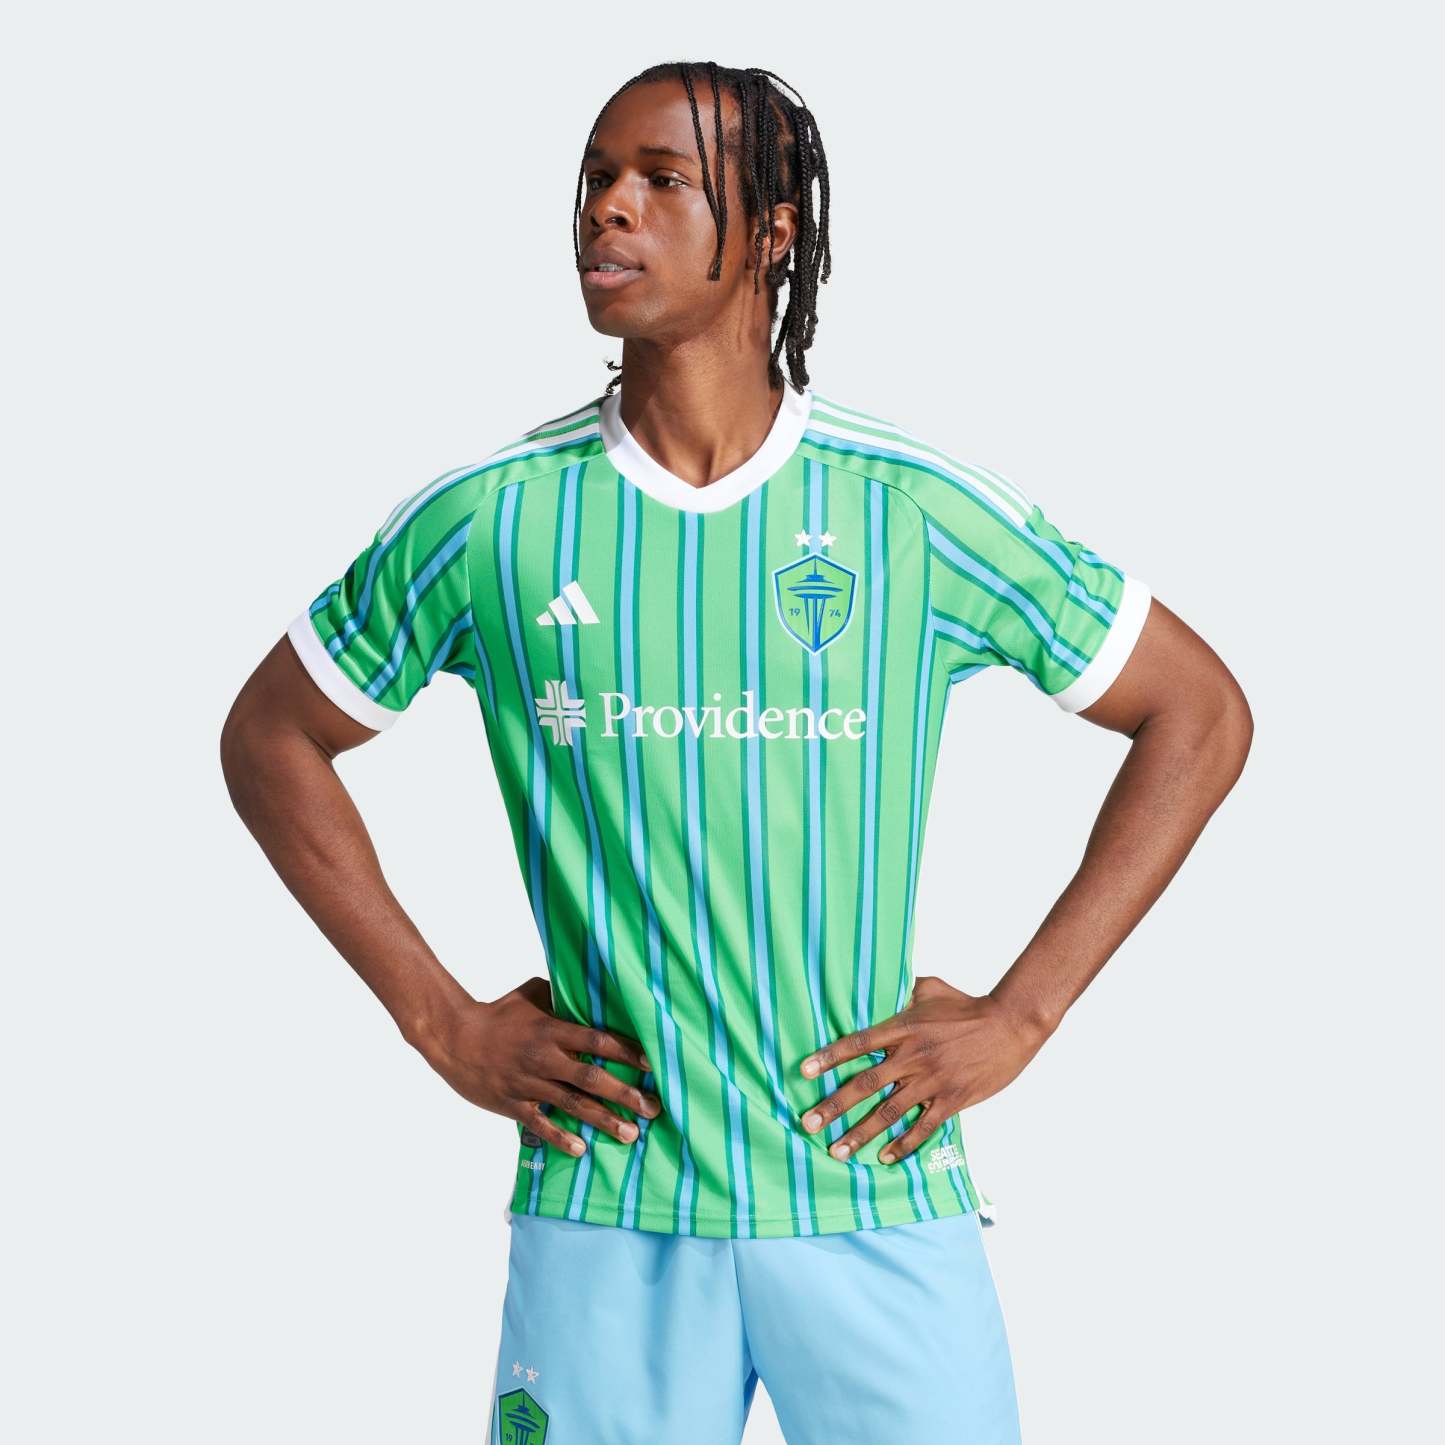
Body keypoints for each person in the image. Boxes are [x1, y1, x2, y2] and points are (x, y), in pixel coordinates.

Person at [221, 59, 1253, 1445]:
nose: (609, 209)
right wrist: (440, 1019)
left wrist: (1023, 1013)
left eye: (662, 180)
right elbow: (273, 733)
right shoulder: (491, 520)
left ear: (772, 232)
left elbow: (1197, 711)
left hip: (869, 1185)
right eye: (597, 177)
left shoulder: (906, 509)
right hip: (610, 1199)